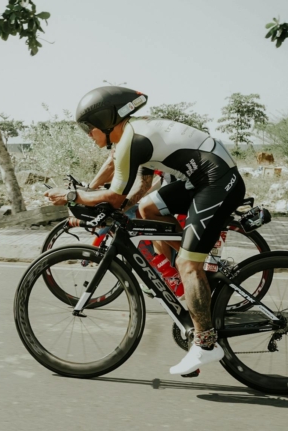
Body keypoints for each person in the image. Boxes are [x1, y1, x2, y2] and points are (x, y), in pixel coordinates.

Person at [44, 86, 246, 376]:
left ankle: (206, 343)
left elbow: (114, 196)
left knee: (187, 263)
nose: (88, 134)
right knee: (147, 210)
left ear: (106, 120)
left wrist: (74, 196)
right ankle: (201, 267)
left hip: (216, 180)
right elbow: (138, 187)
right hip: (200, 178)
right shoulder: (134, 135)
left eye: (89, 128)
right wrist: (102, 198)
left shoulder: (132, 139)